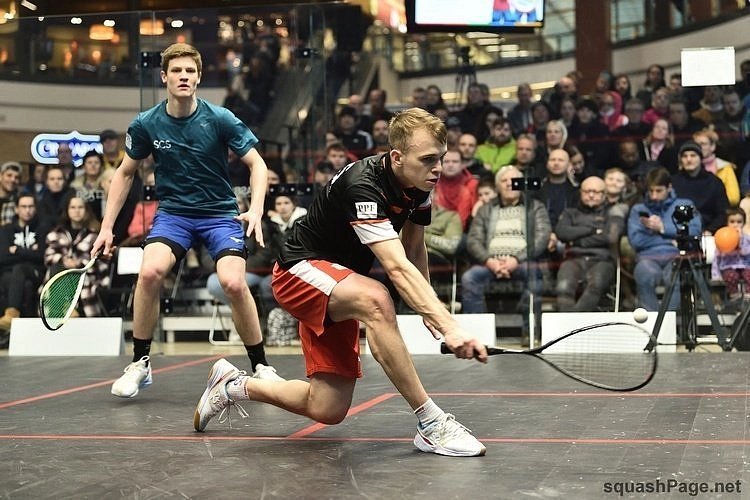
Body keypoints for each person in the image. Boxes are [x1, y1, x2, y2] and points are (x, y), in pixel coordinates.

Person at [192, 108, 489, 457]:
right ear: (397, 157)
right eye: (427, 160)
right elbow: (395, 266)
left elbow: (413, 248)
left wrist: (429, 309)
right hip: (297, 273)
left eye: (440, 157)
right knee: (377, 299)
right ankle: (431, 422)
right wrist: (449, 325)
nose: (437, 168)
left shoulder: (419, 185)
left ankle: (233, 386)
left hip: (341, 285)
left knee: (327, 407)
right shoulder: (363, 186)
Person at [91, 43, 282, 399]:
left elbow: (257, 164)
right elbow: (125, 173)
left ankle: (261, 365)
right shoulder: (146, 123)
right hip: (174, 215)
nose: (183, 76)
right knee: (150, 273)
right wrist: (106, 227)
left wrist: (256, 209)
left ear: (198, 78)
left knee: (233, 283)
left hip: (219, 214)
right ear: (164, 77)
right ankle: (140, 363)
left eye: (190, 71)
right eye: (176, 71)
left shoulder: (220, 118)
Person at [461, 165, 550, 337]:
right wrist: (490, 261)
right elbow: (473, 240)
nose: (509, 184)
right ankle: (477, 335)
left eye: (514, 180)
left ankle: (530, 332)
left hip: (523, 263)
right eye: (504, 180)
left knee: (533, 275)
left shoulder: (535, 207)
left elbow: (541, 238)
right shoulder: (486, 209)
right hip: (490, 263)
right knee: (469, 278)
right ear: (497, 186)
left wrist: (516, 260)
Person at [628, 167, 701, 311]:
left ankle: (669, 319)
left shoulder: (684, 205)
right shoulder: (638, 209)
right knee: (644, 273)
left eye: (659, 191)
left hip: (676, 256)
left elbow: (695, 231)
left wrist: (662, 228)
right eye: (651, 191)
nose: (654, 196)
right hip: (648, 257)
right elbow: (636, 241)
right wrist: (671, 239)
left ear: (669, 187)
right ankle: (652, 321)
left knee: (678, 276)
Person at [554, 176, 628, 311]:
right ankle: (568, 321)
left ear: (604, 194)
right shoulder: (570, 213)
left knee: (595, 287)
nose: (591, 195)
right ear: (580, 193)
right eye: (587, 191)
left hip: (602, 260)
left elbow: (610, 237)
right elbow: (562, 232)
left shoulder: (613, 212)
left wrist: (576, 240)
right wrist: (593, 230)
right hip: (573, 259)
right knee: (563, 288)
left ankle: (575, 321)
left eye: (596, 192)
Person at [43, 196, 110, 318]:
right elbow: (48, 256)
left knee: (68, 272)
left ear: (86, 210)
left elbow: (100, 261)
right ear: (67, 211)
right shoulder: (56, 234)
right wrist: (63, 260)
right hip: (58, 273)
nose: (77, 211)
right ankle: (64, 308)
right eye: (73, 207)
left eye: (80, 207)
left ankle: (65, 309)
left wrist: (79, 263)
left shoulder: (95, 235)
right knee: (57, 269)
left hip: (86, 276)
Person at [0, 194, 49, 334]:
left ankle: (11, 314)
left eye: (30, 206)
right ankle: (27, 332)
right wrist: (30, 252)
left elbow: (42, 257)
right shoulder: (6, 230)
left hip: (35, 272)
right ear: (16, 209)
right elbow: (2, 258)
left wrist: (17, 250)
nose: (27, 210)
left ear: (35, 208)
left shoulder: (42, 228)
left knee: (20, 268)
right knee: (26, 286)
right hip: (10, 274)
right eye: (23, 206)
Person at [711, 208, 750, 302]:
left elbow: (746, 252)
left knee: (748, 275)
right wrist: (715, 275)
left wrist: (740, 240)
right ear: (727, 223)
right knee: (731, 276)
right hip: (728, 266)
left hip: (744, 265)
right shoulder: (723, 237)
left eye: (739, 222)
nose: (735, 225)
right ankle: (734, 295)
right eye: (732, 222)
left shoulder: (746, 238)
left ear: (744, 223)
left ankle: (748, 294)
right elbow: (717, 257)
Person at [0, 161, 21, 227]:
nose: (13, 180)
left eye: (16, 177)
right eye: (9, 175)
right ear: (0, 176)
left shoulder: (19, 202)